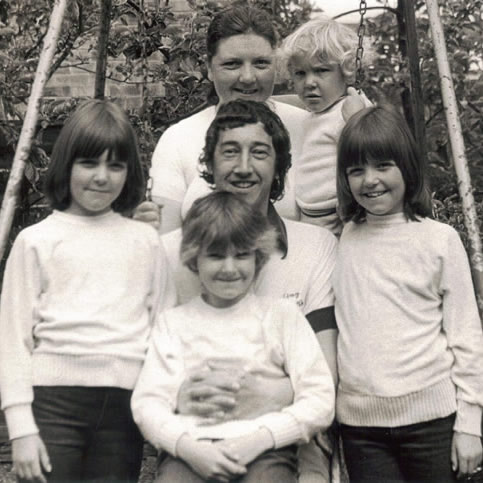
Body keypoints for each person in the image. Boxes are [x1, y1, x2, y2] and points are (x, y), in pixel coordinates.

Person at [157, 99, 338, 482]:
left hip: (289, 437)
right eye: (229, 152)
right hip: (197, 433)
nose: (243, 168)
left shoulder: (315, 247)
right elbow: (150, 364)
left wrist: (276, 396)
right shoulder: (168, 252)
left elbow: (323, 375)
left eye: (259, 153)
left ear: (278, 168)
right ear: (209, 164)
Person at [0, 100, 174, 483]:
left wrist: (159, 403)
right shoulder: (37, 241)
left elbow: (165, 325)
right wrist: (22, 429)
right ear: (66, 165)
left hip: (123, 409)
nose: (101, 177)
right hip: (52, 404)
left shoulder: (145, 241)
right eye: (89, 163)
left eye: (115, 166)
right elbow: (12, 340)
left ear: (129, 174)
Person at [132, 191, 336, 482]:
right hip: (190, 450)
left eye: (241, 255)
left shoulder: (282, 317)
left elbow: (320, 397)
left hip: (266, 450)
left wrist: (261, 439)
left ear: (259, 256)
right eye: (215, 255)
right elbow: (148, 404)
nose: (229, 268)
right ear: (194, 258)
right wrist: (189, 449)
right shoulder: (174, 324)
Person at [333, 105, 483, 482]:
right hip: (361, 428)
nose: (370, 180)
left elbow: (467, 338)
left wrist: (471, 425)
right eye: (356, 170)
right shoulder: (343, 239)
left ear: (407, 166)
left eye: (383, 165)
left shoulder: (439, 240)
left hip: (432, 422)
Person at [147, 3, 309, 233]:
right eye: (232, 64)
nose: (247, 77)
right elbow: (164, 242)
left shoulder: (307, 128)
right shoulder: (177, 139)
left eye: (261, 63)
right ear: (210, 68)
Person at [281, 16, 371, 235]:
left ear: (346, 70)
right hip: (309, 212)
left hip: (336, 215)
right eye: (300, 74)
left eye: (321, 71)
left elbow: (371, 149)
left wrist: (357, 119)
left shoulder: (349, 109)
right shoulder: (320, 110)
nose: (310, 82)